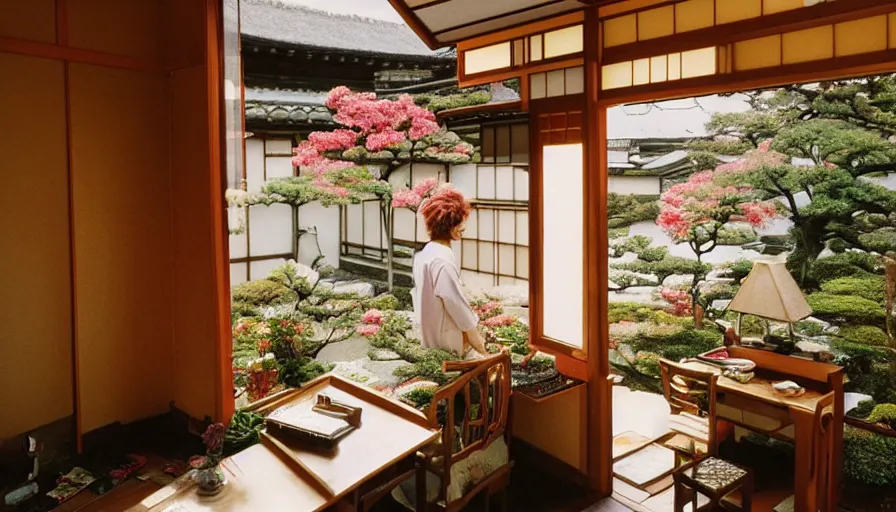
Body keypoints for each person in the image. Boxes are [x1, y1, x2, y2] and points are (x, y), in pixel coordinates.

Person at [412, 185, 490, 361]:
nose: (463, 227)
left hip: (430, 337)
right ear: (447, 225)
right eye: (459, 222)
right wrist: (480, 346)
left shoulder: (427, 252)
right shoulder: (442, 261)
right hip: (446, 341)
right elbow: (456, 304)